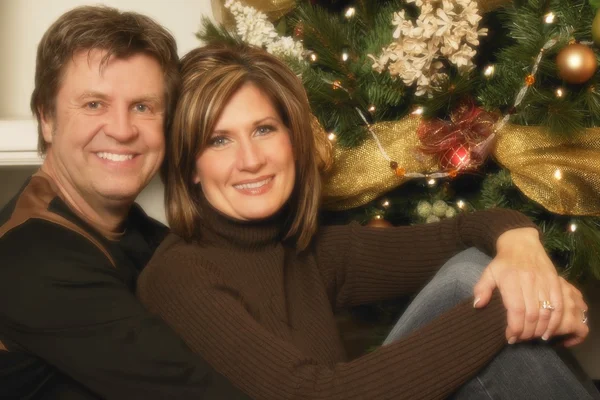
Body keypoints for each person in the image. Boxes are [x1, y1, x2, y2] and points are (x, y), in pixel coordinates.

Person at [137, 42, 598, 400]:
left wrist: (522, 247)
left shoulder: (307, 251)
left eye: (263, 129)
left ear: (292, 139)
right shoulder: (179, 275)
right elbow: (314, 396)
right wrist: (525, 306)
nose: (251, 159)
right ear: (190, 167)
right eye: (219, 140)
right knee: (481, 286)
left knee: (471, 271)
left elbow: (463, 232)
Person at [0, 7, 251, 400]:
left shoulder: (144, 234)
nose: (122, 130)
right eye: (94, 104)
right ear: (46, 118)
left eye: (143, 107)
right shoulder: (30, 258)